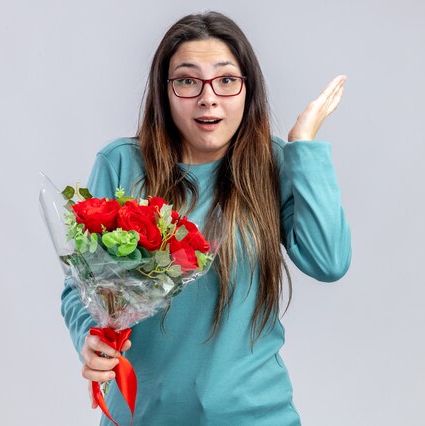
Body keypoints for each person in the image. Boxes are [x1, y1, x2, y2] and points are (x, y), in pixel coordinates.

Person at [61, 11, 351, 426]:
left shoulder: (273, 164)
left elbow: (329, 261)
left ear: (248, 89)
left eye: (226, 80)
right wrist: (90, 338)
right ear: (165, 90)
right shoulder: (122, 163)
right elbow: (79, 286)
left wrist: (303, 147)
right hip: (141, 415)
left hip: (256, 417)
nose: (208, 98)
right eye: (187, 80)